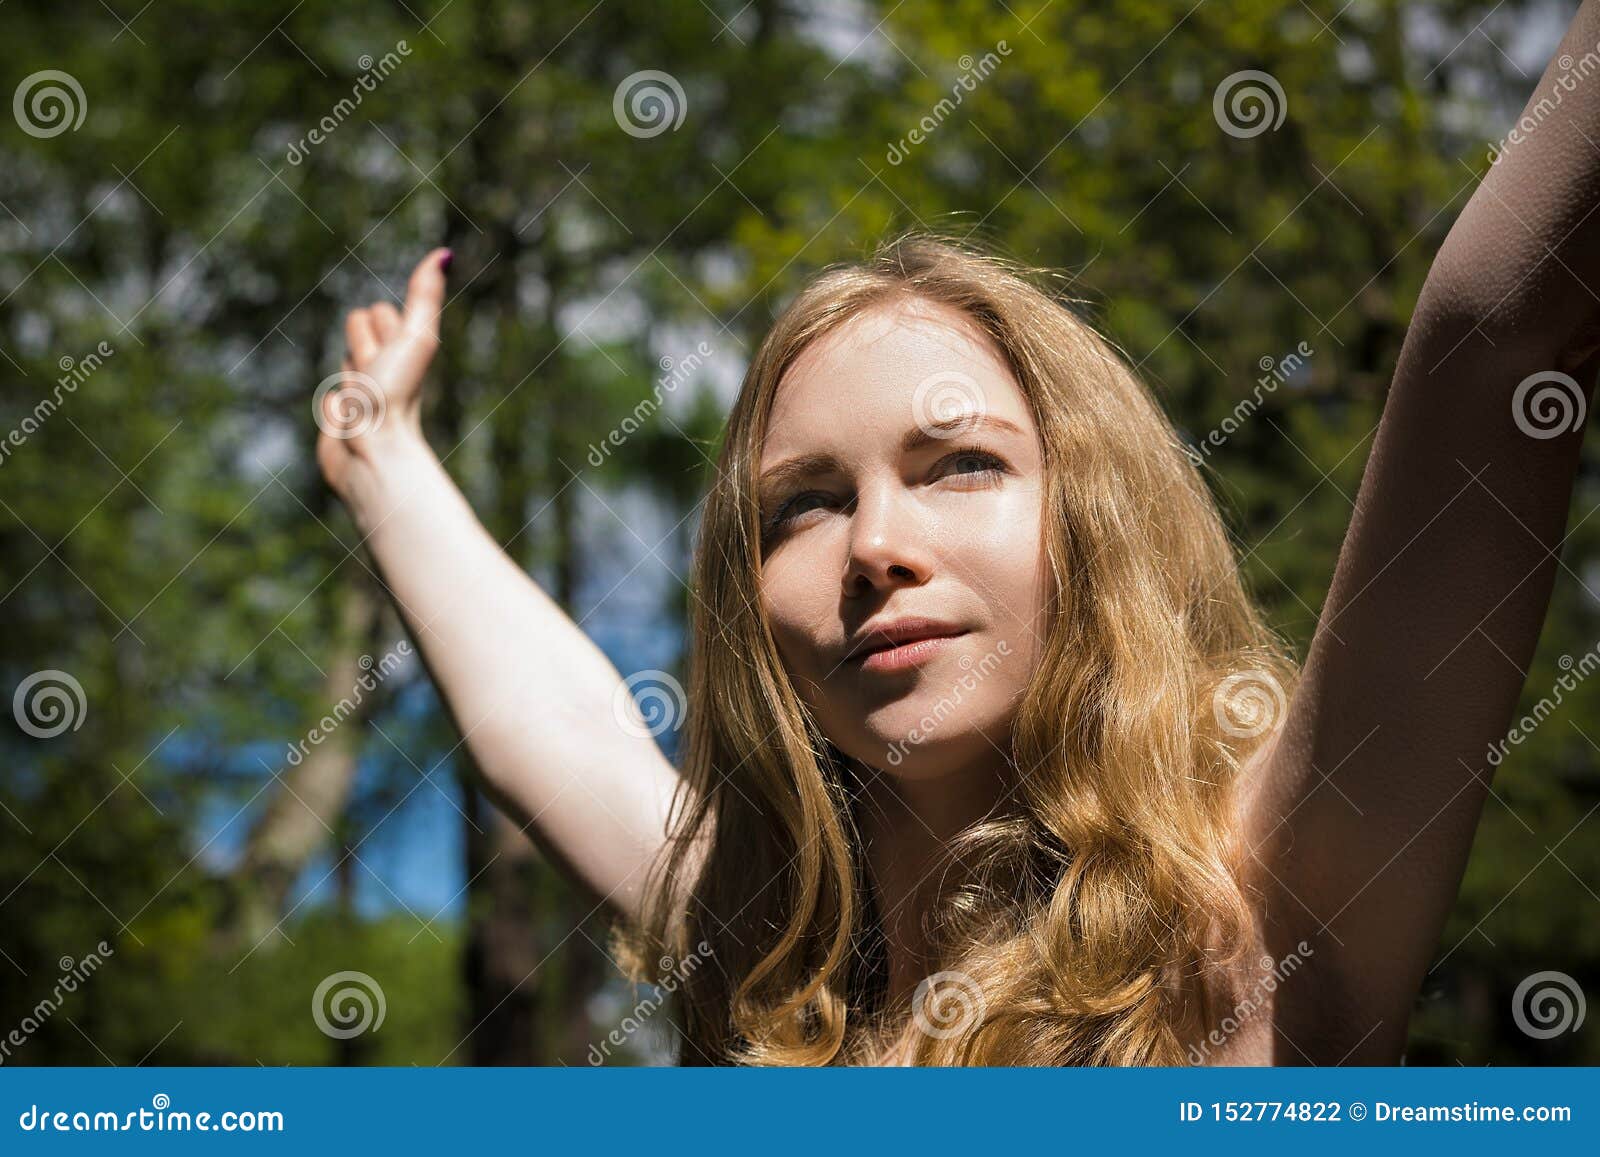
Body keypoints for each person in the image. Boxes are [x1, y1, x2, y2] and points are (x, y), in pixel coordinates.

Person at [315, 2, 1600, 1066]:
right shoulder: (764, 955)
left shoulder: (1265, 912)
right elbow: (554, 730)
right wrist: (379, 451)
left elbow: (1490, 334)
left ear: (1094, 526)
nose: (874, 542)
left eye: (960, 465)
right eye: (801, 503)